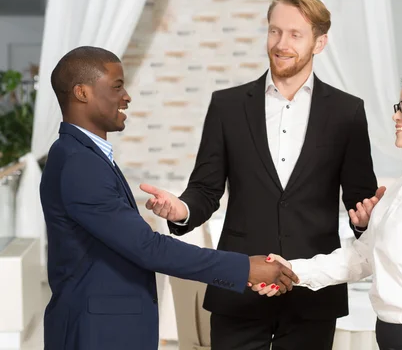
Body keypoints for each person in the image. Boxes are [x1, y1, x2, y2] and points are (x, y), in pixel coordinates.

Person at [140, 0, 385, 350]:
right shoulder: (227, 106)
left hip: (312, 293)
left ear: (320, 42)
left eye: (295, 35)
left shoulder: (347, 113)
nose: (281, 44)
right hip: (238, 286)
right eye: (274, 32)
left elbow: (359, 199)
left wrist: (364, 221)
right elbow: (206, 189)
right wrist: (182, 209)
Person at [40, 46, 297, 350]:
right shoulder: (79, 162)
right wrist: (246, 268)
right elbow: (147, 248)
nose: (127, 97)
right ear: (82, 93)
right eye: (117, 86)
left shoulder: (82, 154)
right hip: (97, 333)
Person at [254, 69, 402, 350]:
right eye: (397, 106)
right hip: (395, 338)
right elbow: (361, 256)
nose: (396, 115)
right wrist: (290, 270)